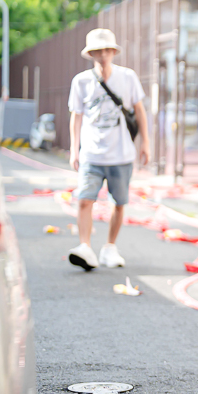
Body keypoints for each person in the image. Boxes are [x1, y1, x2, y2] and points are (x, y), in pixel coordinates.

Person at [67, 29, 150, 270]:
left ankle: (110, 247)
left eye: (106, 50)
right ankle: (85, 247)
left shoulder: (127, 77)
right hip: (92, 153)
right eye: (97, 51)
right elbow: (76, 117)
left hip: (121, 153)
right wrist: (75, 149)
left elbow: (140, 110)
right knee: (84, 199)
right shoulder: (81, 81)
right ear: (91, 54)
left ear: (113, 52)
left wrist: (146, 142)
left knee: (119, 202)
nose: (103, 55)